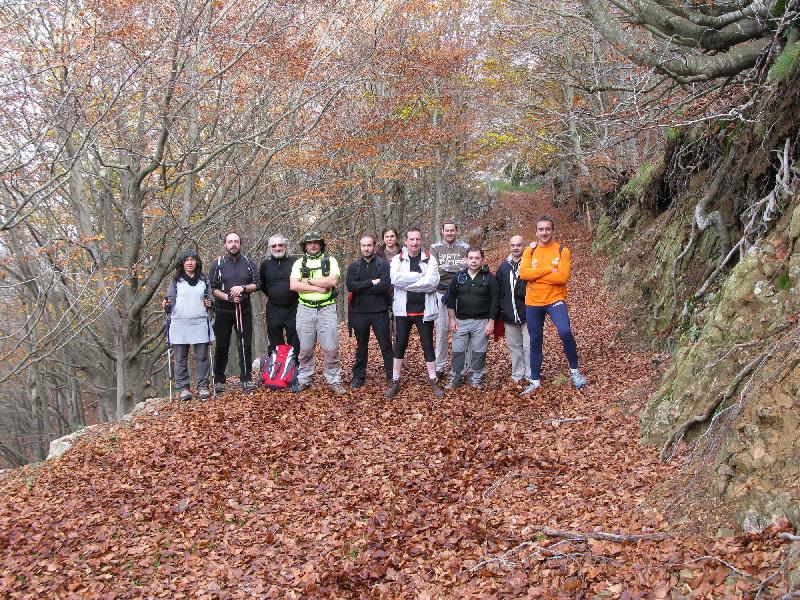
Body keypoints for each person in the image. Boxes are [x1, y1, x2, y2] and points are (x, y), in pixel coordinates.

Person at [518, 216, 588, 395]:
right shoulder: (529, 251)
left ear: (552, 230)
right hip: (533, 301)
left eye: (547, 229)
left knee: (565, 331)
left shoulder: (562, 250)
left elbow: (562, 277)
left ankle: (575, 371)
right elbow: (524, 274)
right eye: (541, 229)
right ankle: (535, 381)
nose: (544, 232)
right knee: (535, 340)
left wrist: (536, 275)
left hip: (555, 299)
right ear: (536, 231)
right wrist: (549, 270)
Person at [385, 227, 444, 399]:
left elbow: (432, 283)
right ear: (405, 241)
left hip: (424, 310)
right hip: (403, 311)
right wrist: (420, 277)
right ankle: (395, 380)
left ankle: (433, 380)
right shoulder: (398, 259)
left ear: (421, 240)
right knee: (400, 344)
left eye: (417, 239)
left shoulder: (430, 258)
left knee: (427, 345)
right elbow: (395, 279)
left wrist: (407, 283)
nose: (415, 242)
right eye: (411, 239)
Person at [289, 231, 346, 395]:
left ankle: (334, 379)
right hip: (305, 309)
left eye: (316, 242)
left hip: (326, 309)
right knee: (305, 348)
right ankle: (305, 378)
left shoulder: (330, 261)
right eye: (309, 243)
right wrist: (319, 288)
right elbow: (293, 285)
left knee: (331, 347)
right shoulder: (299, 263)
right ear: (305, 246)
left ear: (320, 245)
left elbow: (333, 281)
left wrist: (307, 280)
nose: (313, 245)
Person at [208, 232, 261, 393]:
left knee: (245, 345)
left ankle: (246, 379)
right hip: (222, 311)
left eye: (236, 241)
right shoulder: (217, 264)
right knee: (222, 346)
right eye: (230, 242)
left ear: (240, 244)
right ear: (225, 244)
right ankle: (219, 380)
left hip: (243, 310)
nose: (233, 244)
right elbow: (213, 288)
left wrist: (243, 288)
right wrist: (228, 297)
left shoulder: (249, 263)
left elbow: (257, 284)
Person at [445, 247, 498, 389]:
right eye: (471, 258)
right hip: (461, 321)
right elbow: (450, 298)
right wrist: (451, 319)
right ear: (466, 259)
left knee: (479, 351)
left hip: (481, 321)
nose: (474, 261)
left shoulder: (489, 278)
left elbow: (495, 301)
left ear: (482, 260)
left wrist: (491, 322)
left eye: (477, 258)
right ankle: (457, 376)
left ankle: (476, 377)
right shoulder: (459, 276)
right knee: (458, 350)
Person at [164, 250, 215, 400]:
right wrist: (166, 305)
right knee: (180, 358)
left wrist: (210, 304)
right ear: (182, 263)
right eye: (187, 260)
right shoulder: (176, 281)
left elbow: (211, 301)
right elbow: (169, 302)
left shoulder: (203, 280)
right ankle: (183, 388)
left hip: (199, 322)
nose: (190, 262)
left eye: (193, 259)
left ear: (197, 262)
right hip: (180, 323)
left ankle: (202, 386)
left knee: (202, 357)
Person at [346, 234, 393, 389]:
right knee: (361, 346)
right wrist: (372, 282)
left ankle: (392, 374)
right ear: (360, 247)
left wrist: (363, 287)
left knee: (386, 345)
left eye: (369, 245)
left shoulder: (383, 264)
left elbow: (385, 285)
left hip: (380, 311)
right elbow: (351, 286)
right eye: (363, 246)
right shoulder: (354, 267)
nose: (366, 248)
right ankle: (359, 376)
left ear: (374, 246)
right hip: (360, 313)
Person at [430, 220, 470, 378]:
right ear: (442, 231)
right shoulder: (435, 248)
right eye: (447, 230)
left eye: (452, 230)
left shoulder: (465, 248)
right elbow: (435, 272)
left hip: (461, 294)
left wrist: (445, 268)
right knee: (441, 331)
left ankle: (464, 367)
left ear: (456, 231)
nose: (449, 233)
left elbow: (467, 269)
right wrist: (456, 268)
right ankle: (439, 367)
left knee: (462, 331)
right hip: (441, 294)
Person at [496, 235, 534, 385]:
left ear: (523, 246)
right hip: (509, 315)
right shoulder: (503, 267)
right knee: (515, 347)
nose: (516, 248)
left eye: (519, 245)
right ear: (509, 247)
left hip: (528, 314)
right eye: (513, 245)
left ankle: (532, 374)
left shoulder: (529, 263)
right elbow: (498, 291)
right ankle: (518, 374)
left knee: (529, 345)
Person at [259, 234, 300, 357]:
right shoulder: (265, 264)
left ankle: (296, 370)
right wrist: (274, 294)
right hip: (274, 308)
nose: (277, 248)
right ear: (270, 248)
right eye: (274, 246)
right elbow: (262, 284)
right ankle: (278, 371)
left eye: (280, 245)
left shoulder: (295, 262)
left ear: (286, 246)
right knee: (275, 343)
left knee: (296, 341)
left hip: (294, 307)